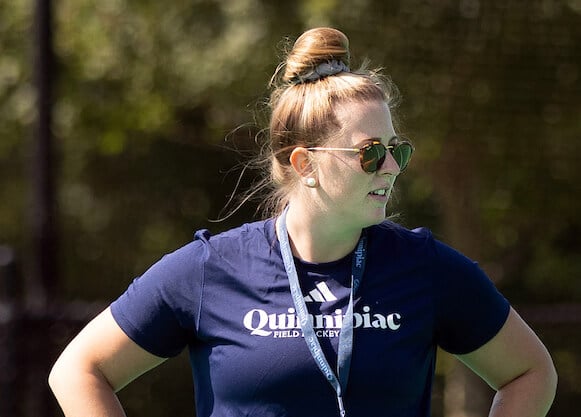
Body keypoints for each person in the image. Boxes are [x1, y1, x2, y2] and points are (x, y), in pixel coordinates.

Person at [48, 27, 557, 417]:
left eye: (396, 149)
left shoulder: (425, 268)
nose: (393, 167)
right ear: (304, 163)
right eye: (371, 153)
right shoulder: (210, 269)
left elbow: (531, 373)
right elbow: (78, 370)